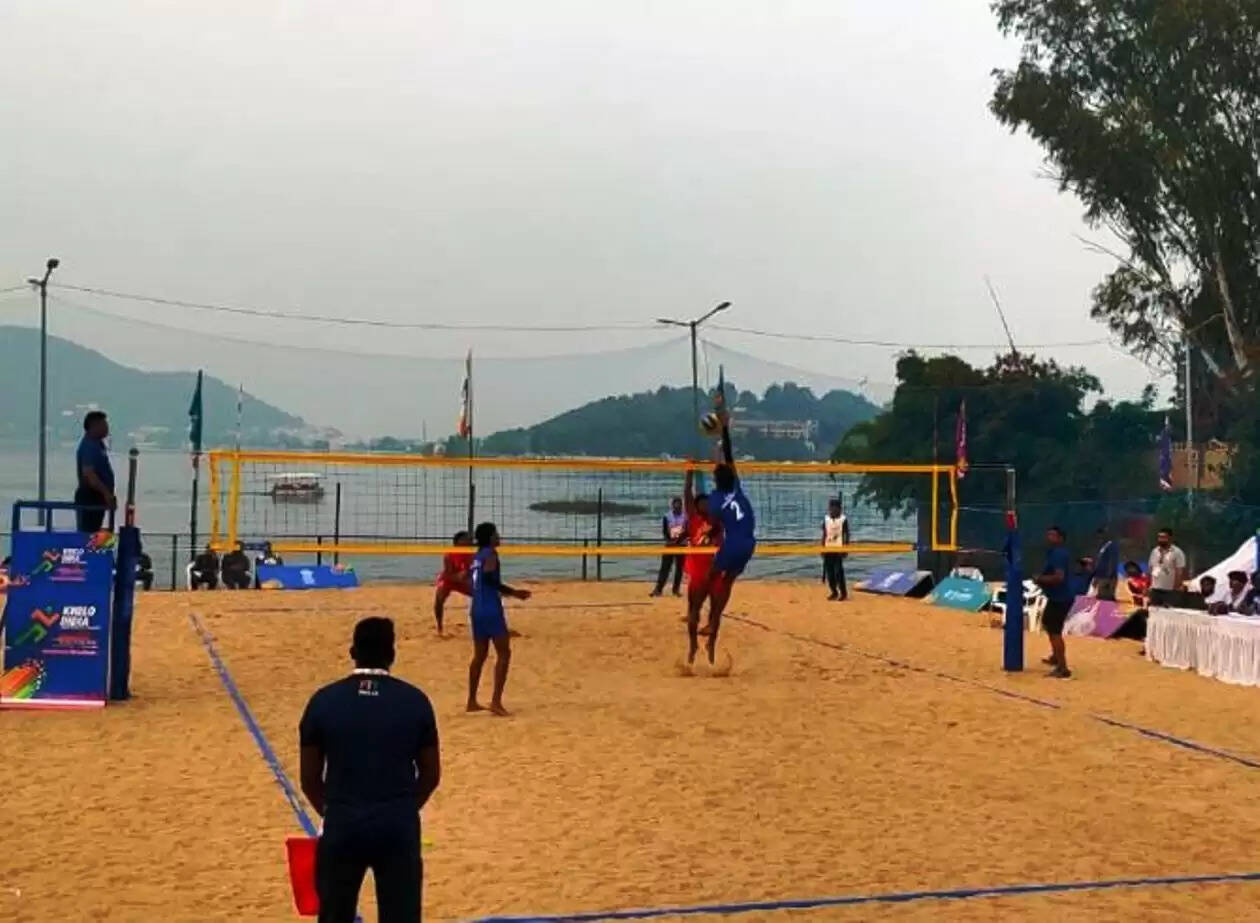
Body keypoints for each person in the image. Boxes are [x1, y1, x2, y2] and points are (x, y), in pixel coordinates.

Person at [299, 617, 440, 923]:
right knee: (400, 915)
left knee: (335, 913)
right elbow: (430, 774)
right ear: (392, 654)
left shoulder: (323, 702)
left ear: (353, 652)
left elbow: (309, 779)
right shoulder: (414, 701)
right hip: (396, 824)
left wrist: (333, 811)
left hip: (344, 821)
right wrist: (402, 808)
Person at [695, 407, 756, 665]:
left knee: (710, 579)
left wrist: (708, 532)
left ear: (715, 481)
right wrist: (725, 430)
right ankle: (712, 626)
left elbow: (711, 519)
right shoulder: (736, 487)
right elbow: (728, 459)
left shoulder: (716, 500)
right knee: (727, 582)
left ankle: (705, 619)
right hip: (749, 543)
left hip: (733, 544)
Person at [467, 522, 530, 716]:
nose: (499, 536)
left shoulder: (477, 556)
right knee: (504, 653)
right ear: (490, 538)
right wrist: (514, 592)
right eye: (495, 534)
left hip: (476, 607)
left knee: (479, 656)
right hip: (490, 608)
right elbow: (489, 579)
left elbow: (471, 578)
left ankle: (471, 701)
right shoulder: (491, 555)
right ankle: (496, 702)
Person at [680, 467, 721, 637]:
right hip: (696, 563)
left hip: (712, 563)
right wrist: (689, 471)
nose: (704, 505)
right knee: (693, 595)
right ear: (697, 506)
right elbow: (687, 493)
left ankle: (711, 624)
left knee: (714, 596)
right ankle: (693, 615)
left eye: (707, 503)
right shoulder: (693, 517)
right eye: (701, 503)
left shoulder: (715, 518)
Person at [1034, 525, 1073, 679]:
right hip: (1058, 597)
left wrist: (1040, 579)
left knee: (1055, 631)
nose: (1049, 537)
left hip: (1061, 597)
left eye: (1053, 535)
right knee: (1048, 624)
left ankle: (1062, 668)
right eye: (1048, 534)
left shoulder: (1059, 554)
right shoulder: (1055, 553)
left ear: (1060, 538)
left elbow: (1058, 577)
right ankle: (1056, 657)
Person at [75, 411, 116, 534]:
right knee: (88, 533)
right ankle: (89, 553)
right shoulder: (89, 446)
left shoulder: (98, 445)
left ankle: (97, 551)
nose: (107, 428)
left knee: (96, 531)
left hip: (98, 498)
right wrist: (107, 494)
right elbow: (89, 474)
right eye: (104, 425)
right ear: (94, 426)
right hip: (90, 497)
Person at [433, 530, 473, 635]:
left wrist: (466, 576)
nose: (470, 541)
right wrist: (460, 576)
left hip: (463, 580)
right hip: (449, 579)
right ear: (459, 541)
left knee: (481, 595)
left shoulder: (471, 553)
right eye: (467, 539)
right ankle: (439, 627)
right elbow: (448, 574)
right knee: (439, 599)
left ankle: (482, 624)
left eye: (470, 539)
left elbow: (471, 571)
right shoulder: (449, 554)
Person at [650, 497, 688, 598]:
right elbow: (665, 531)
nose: (677, 507)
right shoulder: (667, 516)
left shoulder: (685, 517)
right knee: (665, 568)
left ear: (681, 506)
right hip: (670, 545)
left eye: (679, 505)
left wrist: (679, 540)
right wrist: (670, 541)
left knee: (679, 568)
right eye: (675, 505)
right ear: (672, 506)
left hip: (681, 545)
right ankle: (658, 589)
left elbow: (687, 530)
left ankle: (676, 590)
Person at [1148, 528, 1187, 607]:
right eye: (1159, 537)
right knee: (1154, 612)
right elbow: (1151, 568)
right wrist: (1150, 585)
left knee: (1168, 613)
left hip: (1170, 590)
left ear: (1170, 538)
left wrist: (1176, 588)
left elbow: (1180, 571)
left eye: (1164, 537)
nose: (1161, 539)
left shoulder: (1177, 552)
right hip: (1155, 588)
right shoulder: (1154, 551)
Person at [821, 498, 850, 602]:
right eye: (830, 508)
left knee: (838, 572)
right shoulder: (826, 519)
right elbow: (824, 534)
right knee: (829, 573)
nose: (832, 510)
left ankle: (843, 593)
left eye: (834, 508)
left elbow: (846, 535)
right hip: (828, 548)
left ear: (839, 509)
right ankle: (834, 592)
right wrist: (822, 548)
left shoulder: (843, 519)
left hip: (838, 549)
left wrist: (845, 548)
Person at [1090, 526, 1118, 601]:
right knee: (1100, 599)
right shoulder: (1103, 547)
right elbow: (1099, 562)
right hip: (1101, 577)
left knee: (1105, 600)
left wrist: (1109, 578)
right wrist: (1096, 576)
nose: (1099, 538)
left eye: (1101, 535)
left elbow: (1112, 561)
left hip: (1107, 578)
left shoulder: (1111, 545)